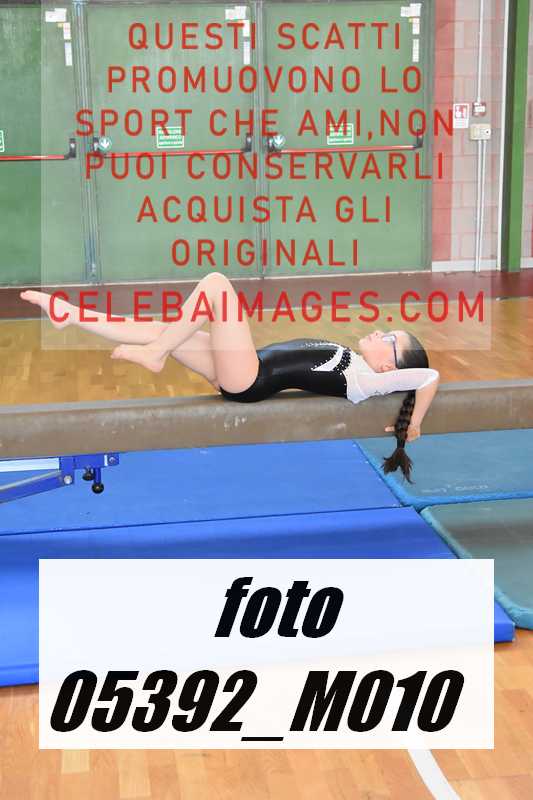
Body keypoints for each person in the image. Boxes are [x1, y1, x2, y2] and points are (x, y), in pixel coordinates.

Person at [20, 271, 439, 482]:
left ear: (389, 368)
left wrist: (415, 422)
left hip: (251, 379)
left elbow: (428, 377)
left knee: (217, 285)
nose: (380, 332)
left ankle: (156, 354)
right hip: (247, 367)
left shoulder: (368, 380)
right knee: (162, 329)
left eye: (390, 339)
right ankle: (71, 315)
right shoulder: (359, 362)